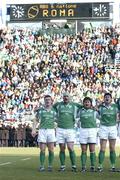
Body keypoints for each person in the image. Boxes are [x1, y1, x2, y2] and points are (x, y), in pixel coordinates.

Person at [53, 92, 81, 172]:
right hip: (60, 129)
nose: (66, 98)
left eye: (67, 96)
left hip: (70, 129)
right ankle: (62, 166)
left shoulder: (75, 105)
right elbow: (50, 107)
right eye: (64, 96)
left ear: (70, 97)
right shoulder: (58, 105)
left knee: (70, 147)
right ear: (62, 97)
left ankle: (74, 165)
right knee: (62, 148)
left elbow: (85, 106)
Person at [32, 95, 56, 172]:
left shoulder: (55, 110)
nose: (47, 101)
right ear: (44, 101)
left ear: (51, 101)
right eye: (46, 100)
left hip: (51, 130)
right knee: (42, 149)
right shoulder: (41, 110)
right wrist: (34, 129)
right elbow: (36, 120)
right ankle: (42, 166)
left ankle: (50, 166)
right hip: (42, 130)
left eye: (49, 99)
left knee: (51, 150)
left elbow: (59, 119)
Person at [97, 93, 119, 172]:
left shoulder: (115, 107)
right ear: (104, 99)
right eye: (105, 97)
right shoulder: (100, 108)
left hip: (113, 128)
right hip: (103, 128)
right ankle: (100, 166)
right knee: (102, 148)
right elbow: (94, 111)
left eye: (108, 97)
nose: (107, 98)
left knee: (112, 148)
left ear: (111, 99)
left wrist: (117, 119)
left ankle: (113, 166)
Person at [78, 97, 98, 172]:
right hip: (83, 131)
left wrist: (97, 109)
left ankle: (92, 166)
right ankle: (83, 166)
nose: (86, 103)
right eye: (85, 102)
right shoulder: (80, 111)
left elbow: (101, 117)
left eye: (88, 102)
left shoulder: (94, 111)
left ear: (91, 103)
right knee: (83, 150)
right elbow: (75, 117)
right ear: (83, 104)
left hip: (92, 131)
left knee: (92, 150)